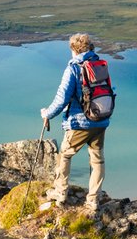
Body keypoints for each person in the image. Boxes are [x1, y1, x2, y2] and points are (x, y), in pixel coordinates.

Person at [40, 33, 110, 213]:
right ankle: (94, 199)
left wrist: (47, 113)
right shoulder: (99, 64)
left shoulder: (73, 68)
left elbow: (62, 98)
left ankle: (60, 192)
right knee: (97, 160)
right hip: (101, 120)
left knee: (64, 155)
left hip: (79, 123)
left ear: (73, 48)